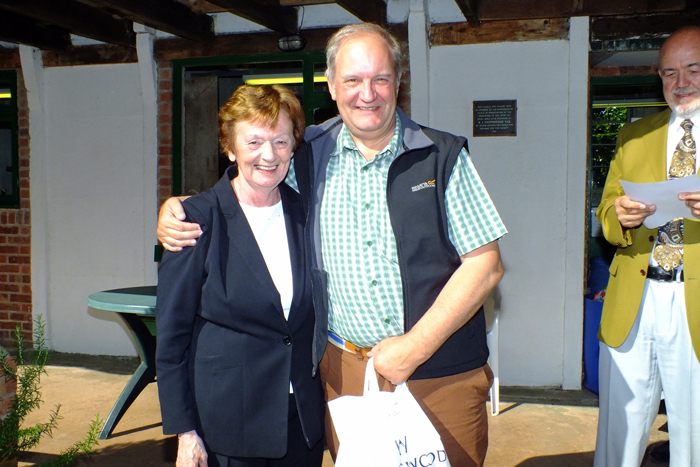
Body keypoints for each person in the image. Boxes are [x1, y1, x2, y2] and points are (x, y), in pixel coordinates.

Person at [158, 23, 506, 467]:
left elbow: (486, 264)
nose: (368, 93)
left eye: (380, 78)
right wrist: (179, 208)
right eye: (353, 80)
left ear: (398, 83)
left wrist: (415, 347)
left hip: (439, 376)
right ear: (331, 85)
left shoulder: (442, 156)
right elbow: (251, 186)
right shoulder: (309, 154)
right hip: (344, 378)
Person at [155, 84, 324, 467]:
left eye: (281, 142)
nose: (269, 155)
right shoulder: (196, 220)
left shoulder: (305, 212)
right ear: (230, 148)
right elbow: (171, 338)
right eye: (254, 142)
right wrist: (185, 432)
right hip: (228, 428)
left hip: (301, 424)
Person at [593, 26, 700, 467]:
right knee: (619, 431)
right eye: (669, 73)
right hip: (633, 299)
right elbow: (603, 216)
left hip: (692, 303)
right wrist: (618, 216)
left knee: (693, 434)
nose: (680, 84)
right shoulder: (633, 135)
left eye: (693, 69)